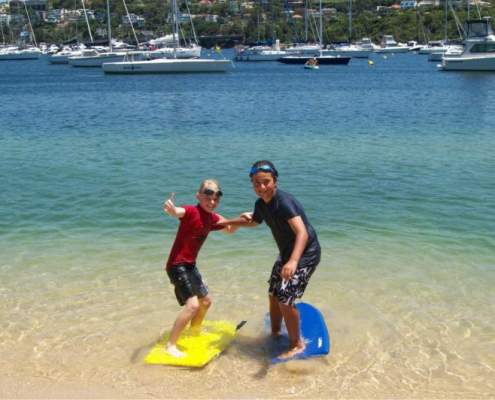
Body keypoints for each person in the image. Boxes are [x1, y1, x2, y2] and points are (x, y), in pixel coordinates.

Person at [219, 161, 321, 360]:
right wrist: (227, 222)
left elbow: (302, 233)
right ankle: (275, 333)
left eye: (266, 182)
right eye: (257, 183)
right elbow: (255, 221)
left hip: (305, 254)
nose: (262, 187)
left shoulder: (284, 202)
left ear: (275, 181)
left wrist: (293, 261)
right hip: (286, 254)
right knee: (273, 293)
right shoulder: (261, 204)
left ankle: (297, 344)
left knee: (285, 299)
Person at [162, 179, 237, 358]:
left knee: (206, 302)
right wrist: (172, 210)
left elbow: (229, 229)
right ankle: (170, 345)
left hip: (190, 265)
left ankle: (193, 332)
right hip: (176, 265)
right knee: (193, 305)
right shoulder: (190, 211)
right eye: (208, 197)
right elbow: (178, 211)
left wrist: (245, 218)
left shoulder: (212, 218)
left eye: (216, 199)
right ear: (198, 196)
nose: (212, 201)